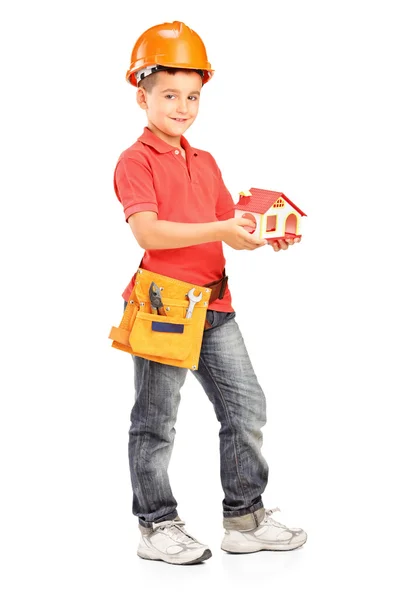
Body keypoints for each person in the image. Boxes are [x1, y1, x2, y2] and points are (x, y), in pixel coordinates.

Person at [113, 21, 307, 566]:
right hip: (165, 308)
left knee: (246, 408)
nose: (182, 107)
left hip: (215, 308)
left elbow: (230, 226)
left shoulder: (205, 160)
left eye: (192, 96)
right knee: (156, 423)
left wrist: (264, 234)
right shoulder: (136, 161)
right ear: (142, 94)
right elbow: (149, 232)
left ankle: (244, 519)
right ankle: (156, 526)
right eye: (169, 94)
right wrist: (221, 231)